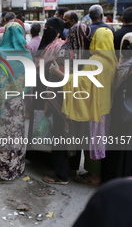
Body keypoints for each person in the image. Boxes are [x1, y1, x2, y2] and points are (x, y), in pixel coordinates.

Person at [50, 27, 118, 186]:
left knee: (93, 145)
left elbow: (79, 83)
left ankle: (94, 177)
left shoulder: (95, 62)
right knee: (98, 143)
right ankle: (92, 174)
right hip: (105, 108)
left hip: (94, 109)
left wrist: (56, 72)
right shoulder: (112, 60)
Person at [0, 22, 33, 183]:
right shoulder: (27, 55)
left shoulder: (0, 53)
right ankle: (14, 168)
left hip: (0, 102)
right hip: (17, 103)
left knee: (0, 135)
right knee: (15, 135)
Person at [102, 32, 132, 182]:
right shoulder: (119, 64)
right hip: (117, 111)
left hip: (127, 115)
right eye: (125, 45)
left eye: (130, 45)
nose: (127, 48)